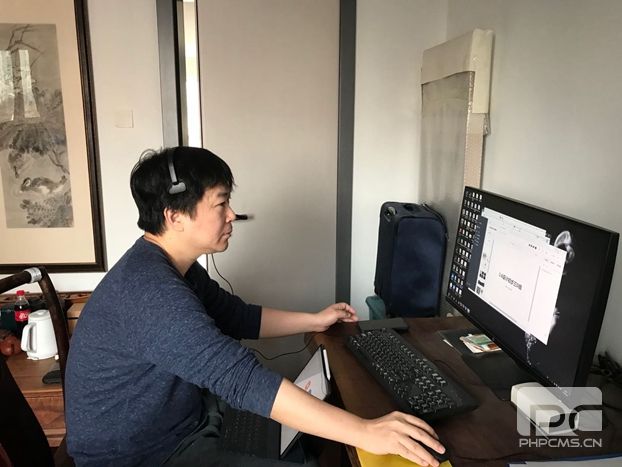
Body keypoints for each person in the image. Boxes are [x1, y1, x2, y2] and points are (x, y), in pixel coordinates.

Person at [65, 146, 445, 466]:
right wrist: (366, 432)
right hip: (142, 455)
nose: (232, 214)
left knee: (299, 441)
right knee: (306, 454)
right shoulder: (151, 292)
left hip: (184, 421)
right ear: (175, 216)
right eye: (221, 203)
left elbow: (238, 317)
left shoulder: (173, 269)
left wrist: (314, 320)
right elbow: (240, 380)